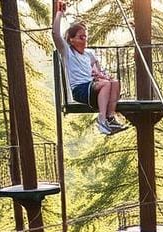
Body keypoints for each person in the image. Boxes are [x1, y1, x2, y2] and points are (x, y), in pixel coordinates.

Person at [52, 1, 128, 135]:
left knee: (114, 82)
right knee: (105, 85)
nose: (84, 39)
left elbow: (97, 69)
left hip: (91, 87)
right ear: (71, 40)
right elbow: (55, 34)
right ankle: (101, 120)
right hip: (80, 89)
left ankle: (110, 118)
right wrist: (59, 13)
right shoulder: (67, 52)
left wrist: (101, 74)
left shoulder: (89, 54)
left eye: (85, 36)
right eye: (81, 37)